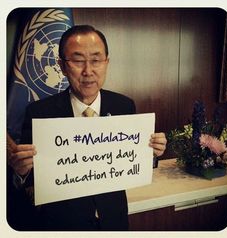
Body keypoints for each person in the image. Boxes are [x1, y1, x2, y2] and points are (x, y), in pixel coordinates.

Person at [8, 25, 167, 231]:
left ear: (106, 62)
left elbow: (132, 161)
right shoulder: (39, 112)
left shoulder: (124, 106)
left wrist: (153, 152)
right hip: (63, 226)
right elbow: (30, 178)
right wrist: (20, 171)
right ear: (62, 66)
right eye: (77, 60)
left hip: (114, 221)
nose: (88, 71)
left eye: (96, 60)